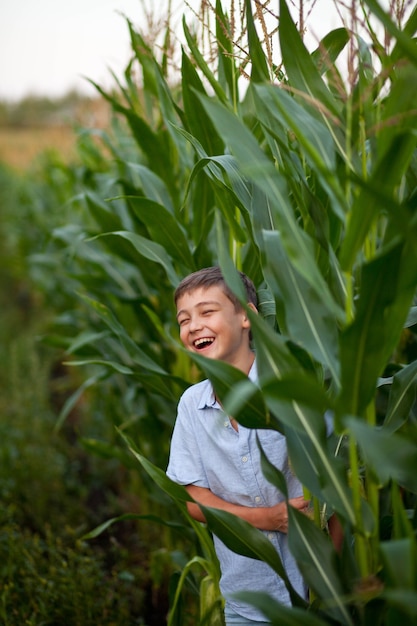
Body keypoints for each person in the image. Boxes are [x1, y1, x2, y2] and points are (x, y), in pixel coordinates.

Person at [166, 266, 310, 625]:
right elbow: (196, 502)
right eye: (184, 319)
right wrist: (268, 520)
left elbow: (337, 486)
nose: (193, 325)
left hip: (314, 597)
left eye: (207, 312)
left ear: (247, 316)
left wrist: (333, 590)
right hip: (246, 604)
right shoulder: (191, 405)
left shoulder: (290, 390)